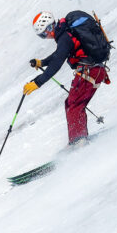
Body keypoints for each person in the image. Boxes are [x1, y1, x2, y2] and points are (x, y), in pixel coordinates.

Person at [23, 11, 109, 146]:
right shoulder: (65, 33)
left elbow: (57, 63)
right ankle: (79, 139)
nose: (46, 37)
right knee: (72, 103)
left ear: (49, 27)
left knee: (74, 105)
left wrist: (37, 82)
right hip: (93, 70)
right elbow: (59, 54)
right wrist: (42, 62)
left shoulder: (64, 37)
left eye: (43, 34)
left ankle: (79, 142)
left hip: (89, 72)